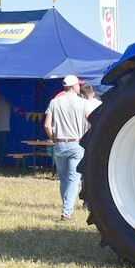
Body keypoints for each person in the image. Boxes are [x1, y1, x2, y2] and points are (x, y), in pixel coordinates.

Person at [45, 74, 90, 222]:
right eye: (78, 85)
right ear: (73, 87)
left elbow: (46, 125)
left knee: (64, 180)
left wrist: (54, 139)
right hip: (76, 143)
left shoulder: (54, 102)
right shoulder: (83, 103)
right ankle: (66, 213)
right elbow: (90, 123)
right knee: (73, 180)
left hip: (59, 144)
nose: (80, 87)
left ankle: (67, 208)